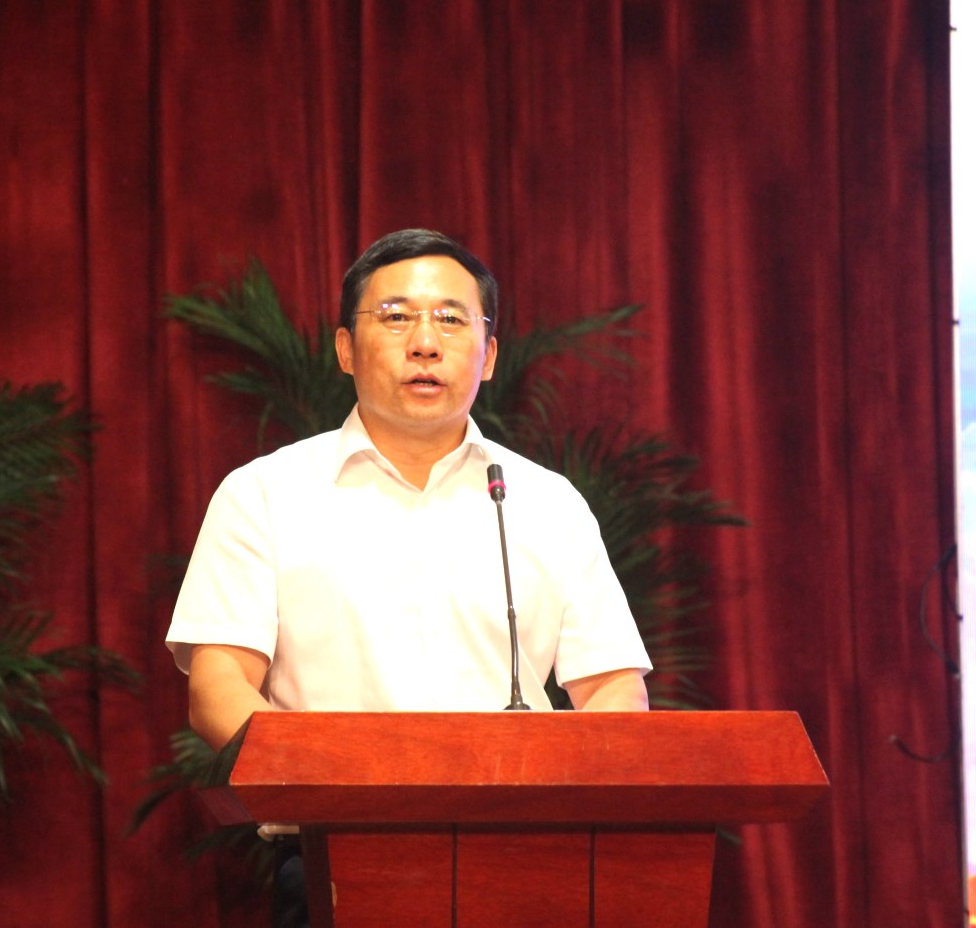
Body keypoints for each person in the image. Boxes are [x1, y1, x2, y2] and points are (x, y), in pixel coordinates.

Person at [165, 230, 652, 923]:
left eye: (451, 319)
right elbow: (217, 688)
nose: (425, 343)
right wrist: (342, 784)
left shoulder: (547, 502)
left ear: (488, 355)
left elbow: (613, 689)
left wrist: (547, 799)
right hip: (335, 856)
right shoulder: (264, 494)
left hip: (525, 858)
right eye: (395, 317)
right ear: (344, 348)